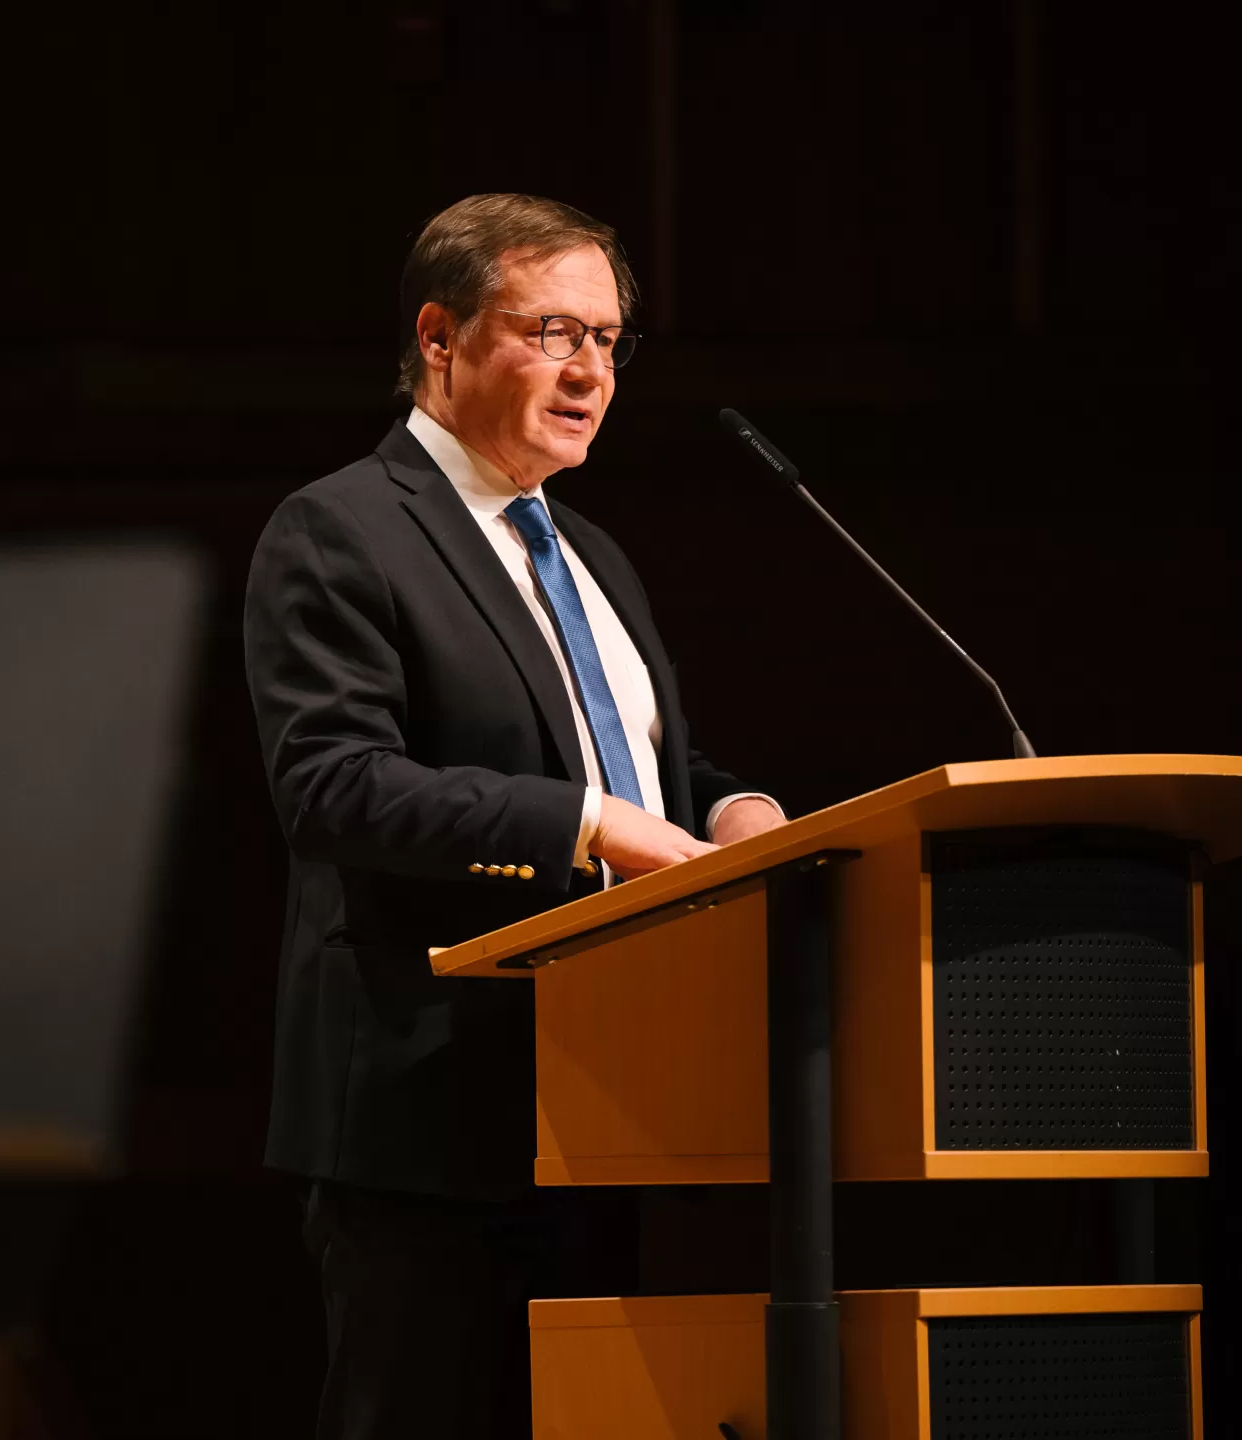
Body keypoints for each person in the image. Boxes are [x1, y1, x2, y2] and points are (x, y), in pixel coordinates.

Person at [242, 194, 788, 1438]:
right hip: (426, 1112)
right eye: (554, 330)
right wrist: (591, 826)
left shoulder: (587, 548)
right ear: (440, 339)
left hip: (610, 1096)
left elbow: (649, 764)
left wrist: (742, 810)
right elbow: (332, 784)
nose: (592, 370)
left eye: (609, 340)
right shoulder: (341, 529)